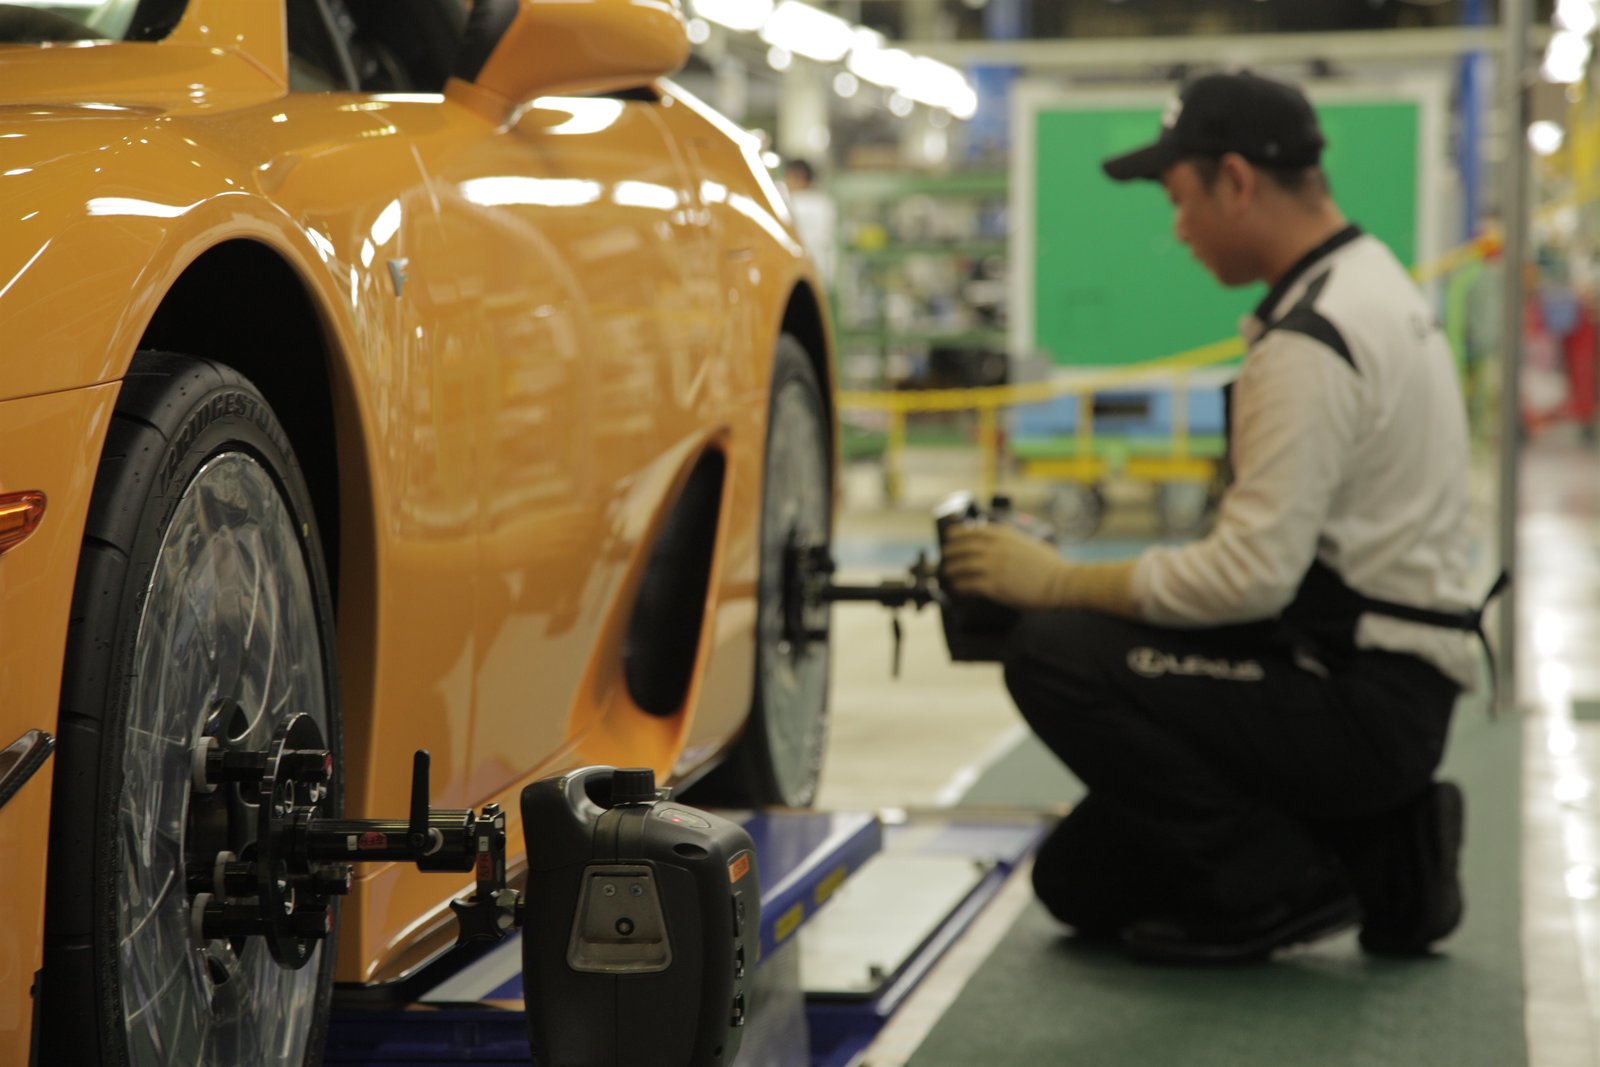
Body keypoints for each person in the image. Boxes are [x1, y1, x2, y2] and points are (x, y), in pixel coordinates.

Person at [943, 70, 1492, 964]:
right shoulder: (1373, 283)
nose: (1178, 228)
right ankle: (1384, 848)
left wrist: (1056, 579)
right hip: (1388, 691)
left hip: (1357, 700)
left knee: (1053, 650)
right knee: (1078, 880)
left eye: (1178, 198)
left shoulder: (1313, 338)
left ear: (1234, 180)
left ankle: (1277, 883)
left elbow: (1248, 579)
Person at [784, 158, 837, 286]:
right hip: (822, 270)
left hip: (797, 272)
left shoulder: (791, 203)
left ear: (799, 178)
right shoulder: (824, 203)